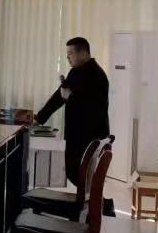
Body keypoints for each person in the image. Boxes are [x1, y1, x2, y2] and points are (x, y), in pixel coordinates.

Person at [35, 37, 113, 215]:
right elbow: (59, 96)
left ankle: (98, 207)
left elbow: (94, 107)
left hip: (89, 136)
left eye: (71, 53)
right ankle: (97, 205)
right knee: (75, 173)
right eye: (67, 54)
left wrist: (70, 97)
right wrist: (39, 118)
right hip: (76, 134)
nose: (68, 57)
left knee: (82, 175)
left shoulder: (97, 75)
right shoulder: (76, 72)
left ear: (83, 53)